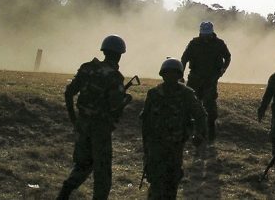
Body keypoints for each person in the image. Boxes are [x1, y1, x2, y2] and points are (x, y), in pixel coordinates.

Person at [57, 35, 127, 200]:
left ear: (104, 51)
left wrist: (74, 119)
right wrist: (125, 100)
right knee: (102, 171)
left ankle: (65, 191)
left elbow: (69, 93)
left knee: (83, 164)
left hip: (83, 124)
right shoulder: (115, 76)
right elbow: (115, 106)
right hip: (100, 128)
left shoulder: (87, 68)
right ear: (119, 55)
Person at [140, 58, 207, 200]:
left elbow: (200, 115)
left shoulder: (186, 94)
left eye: (173, 73)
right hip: (155, 146)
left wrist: (199, 134)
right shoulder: (153, 93)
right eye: (167, 73)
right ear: (163, 74)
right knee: (156, 182)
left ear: (179, 75)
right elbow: (145, 120)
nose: (170, 76)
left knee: (171, 182)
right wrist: (146, 146)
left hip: (175, 146)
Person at [181, 21, 231, 143]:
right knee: (190, 104)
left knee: (210, 108)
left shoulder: (219, 44)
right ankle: (188, 133)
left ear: (211, 33)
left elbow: (227, 57)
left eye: (207, 35)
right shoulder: (194, 43)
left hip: (211, 80)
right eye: (204, 34)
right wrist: (180, 74)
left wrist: (223, 69)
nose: (205, 37)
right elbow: (184, 58)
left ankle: (210, 136)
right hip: (194, 79)